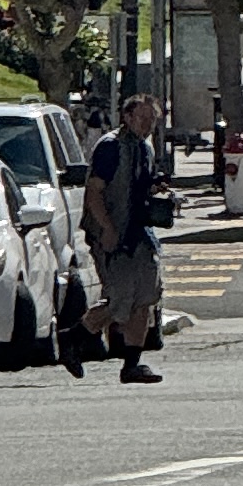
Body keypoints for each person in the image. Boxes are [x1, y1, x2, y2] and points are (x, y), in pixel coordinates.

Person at [83, 91, 168, 382]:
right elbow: (93, 193)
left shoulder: (145, 149)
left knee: (145, 296)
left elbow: (139, 186)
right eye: (142, 118)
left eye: (152, 120)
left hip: (140, 233)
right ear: (127, 117)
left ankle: (132, 364)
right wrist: (106, 228)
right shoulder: (110, 147)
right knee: (120, 299)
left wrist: (156, 189)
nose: (147, 124)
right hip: (113, 234)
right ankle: (76, 336)